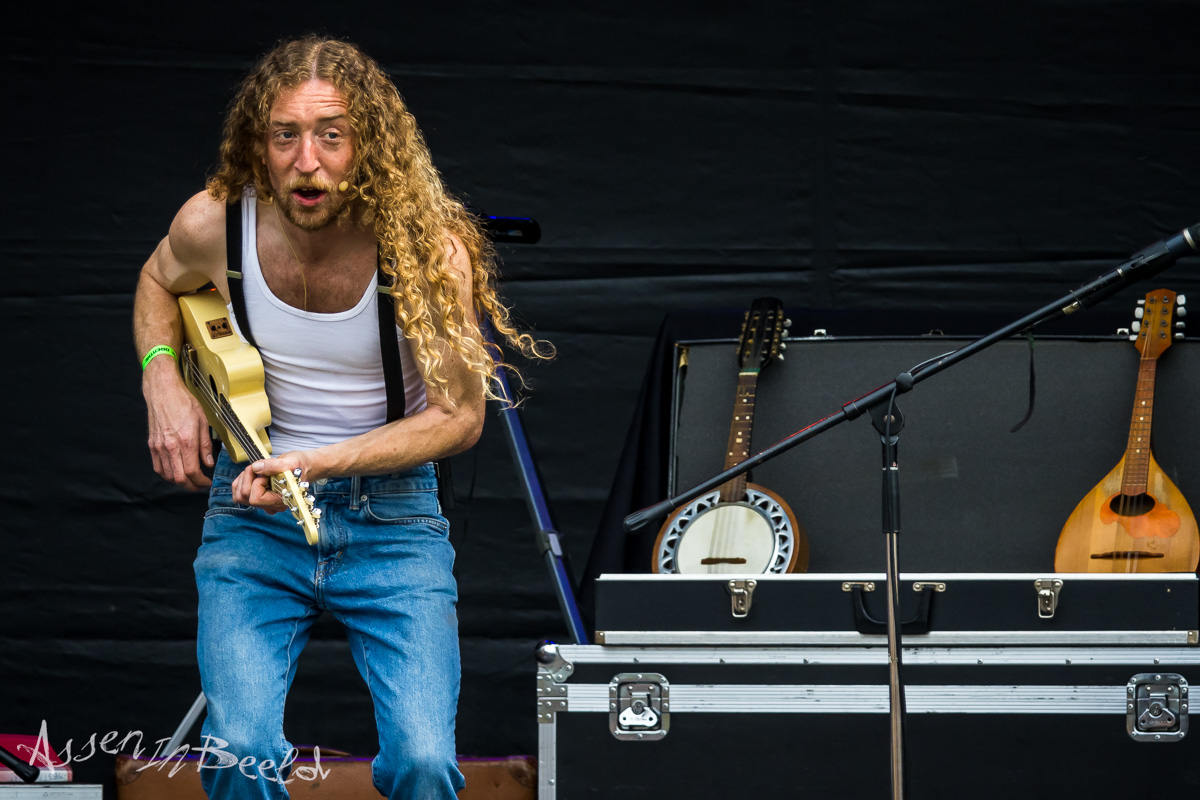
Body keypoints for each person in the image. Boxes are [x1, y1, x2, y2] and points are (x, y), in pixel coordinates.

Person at [133, 35, 546, 800]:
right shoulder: (217, 224)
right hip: (255, 521)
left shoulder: (427, 254)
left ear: (370, 146)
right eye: (285, 135)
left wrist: (318, 462)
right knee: (241, 751)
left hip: (393, 522)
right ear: (260, 144)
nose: (306, 160)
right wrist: (163, 379)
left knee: (424, 762)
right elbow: (159, 280)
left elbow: (459, 419)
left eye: (331, 134)